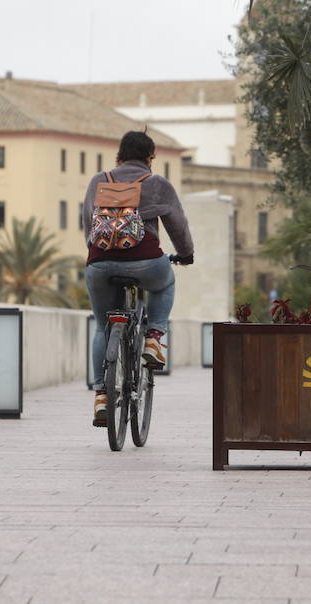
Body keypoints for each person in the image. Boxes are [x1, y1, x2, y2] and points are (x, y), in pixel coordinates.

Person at [83, 131, 194, 427]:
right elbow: (178, 225)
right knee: (165, 282)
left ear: (119, 155)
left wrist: (100, 258)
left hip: (100, 263)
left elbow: (87, 226)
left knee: (101, 324)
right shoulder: (156, 184)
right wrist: (185, 254)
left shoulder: (98, 181)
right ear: (150, 157)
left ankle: (101, 396)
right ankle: (154, 338)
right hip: (145, 262)